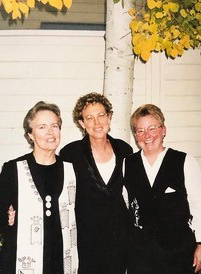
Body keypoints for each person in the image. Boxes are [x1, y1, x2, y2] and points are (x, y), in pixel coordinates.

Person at [124, 104, 201, 274]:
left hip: (177, 252)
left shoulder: (185, 161)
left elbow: (198, 206)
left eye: (152, 128)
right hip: (140, 255)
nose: (147, 135)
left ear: (164, 130)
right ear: (135, 136)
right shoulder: (127, 164)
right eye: (140, 130)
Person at [0, 101, 78, 274]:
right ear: (30, 134)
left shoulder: (72, 169)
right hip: (23, 261)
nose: (50, 132)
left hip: (61, 260)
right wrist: (8, 217)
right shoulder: (13, 170)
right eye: (42, 127)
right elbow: (0, 213)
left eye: (55, 126)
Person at [59, 92, 133, 274]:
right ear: (82, 124)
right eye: (89, 118)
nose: (97, 123)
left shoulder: (125, 149)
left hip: (119, 233)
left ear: (109, 117)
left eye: (101, 115)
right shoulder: (70, 153)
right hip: (86, 235)